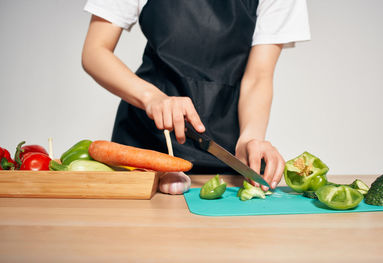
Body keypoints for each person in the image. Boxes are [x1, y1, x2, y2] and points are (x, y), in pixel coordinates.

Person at [82, 0, 311, 194]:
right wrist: (152, 97)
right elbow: (95, 51)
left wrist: (250, 138)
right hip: (144, 142)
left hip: (225, 152)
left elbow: (258, 76)